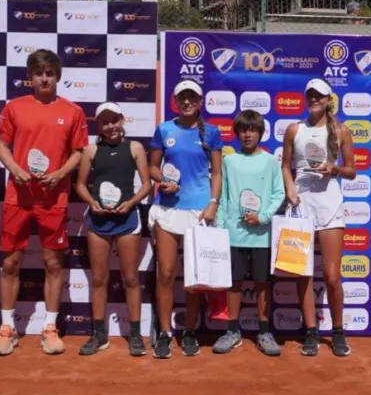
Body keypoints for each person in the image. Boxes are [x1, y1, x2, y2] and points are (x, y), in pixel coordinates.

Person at [0, 49, 88, 356]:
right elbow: (1, 147)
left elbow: (78, 152)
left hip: (54, 199)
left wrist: (60, 173)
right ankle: (7, 328)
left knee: (52, 263)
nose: (44, 78)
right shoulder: (14, 108)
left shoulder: (73, 112)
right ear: (29, 77)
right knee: (10, 263)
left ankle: (50, 327)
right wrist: (15, 169)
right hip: (17, 197)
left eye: (49, 73)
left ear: (57, 77)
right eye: (39, 73)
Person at [281, 78, 356, 357]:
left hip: (330, 205)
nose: (314, 100)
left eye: (319, 96)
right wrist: (290, 189)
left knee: (332, 276)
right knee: (303, 273)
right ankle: (310, 332)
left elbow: (352, 171)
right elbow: (286, 167)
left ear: (328, 99)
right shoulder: (294, 130)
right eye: (310, 95)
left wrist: (333, 169)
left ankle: (337, 331)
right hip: (300, 206)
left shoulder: (340, 130)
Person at [148, 79, 223, 359]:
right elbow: (153, 167)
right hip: (167, 209)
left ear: (200, 101)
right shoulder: (164, 129)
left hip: (199, 210)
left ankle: (189, 331)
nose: (187, 102)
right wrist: (163, 181)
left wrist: (213, 203)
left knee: (194, 278)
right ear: (176, 101)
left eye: (193, 97)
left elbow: (217, 173)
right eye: (183, 97)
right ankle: (166, 334)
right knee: (166, 273)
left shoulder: (212, 133)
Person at [73, 102, 151, 356]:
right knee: (98, 279)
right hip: (98, 221)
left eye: (114, 120)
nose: (111, 126)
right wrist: (92, 202)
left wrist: (130, 203)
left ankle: (136, 334)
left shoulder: (135, 147)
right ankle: (99, 334)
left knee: (130, 278)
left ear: (122, 120)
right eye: (105, 122)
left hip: (127, 220)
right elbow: (81, 185)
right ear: (99, 125)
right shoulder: (91, 150)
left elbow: (147, 185)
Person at [211, 110, 285, 356]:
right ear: (237, 133)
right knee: (234, 284)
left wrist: (262, 217)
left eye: (252, 129)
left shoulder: (271, 161)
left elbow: (279, 194)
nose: (247, 134)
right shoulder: (229, 161)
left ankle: (264, 330)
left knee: (262, 284)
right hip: (234, 235)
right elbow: (224, 197)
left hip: (262, 235)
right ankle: (233, 330)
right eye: (243, 130)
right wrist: (221, 230)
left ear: (261, 132)